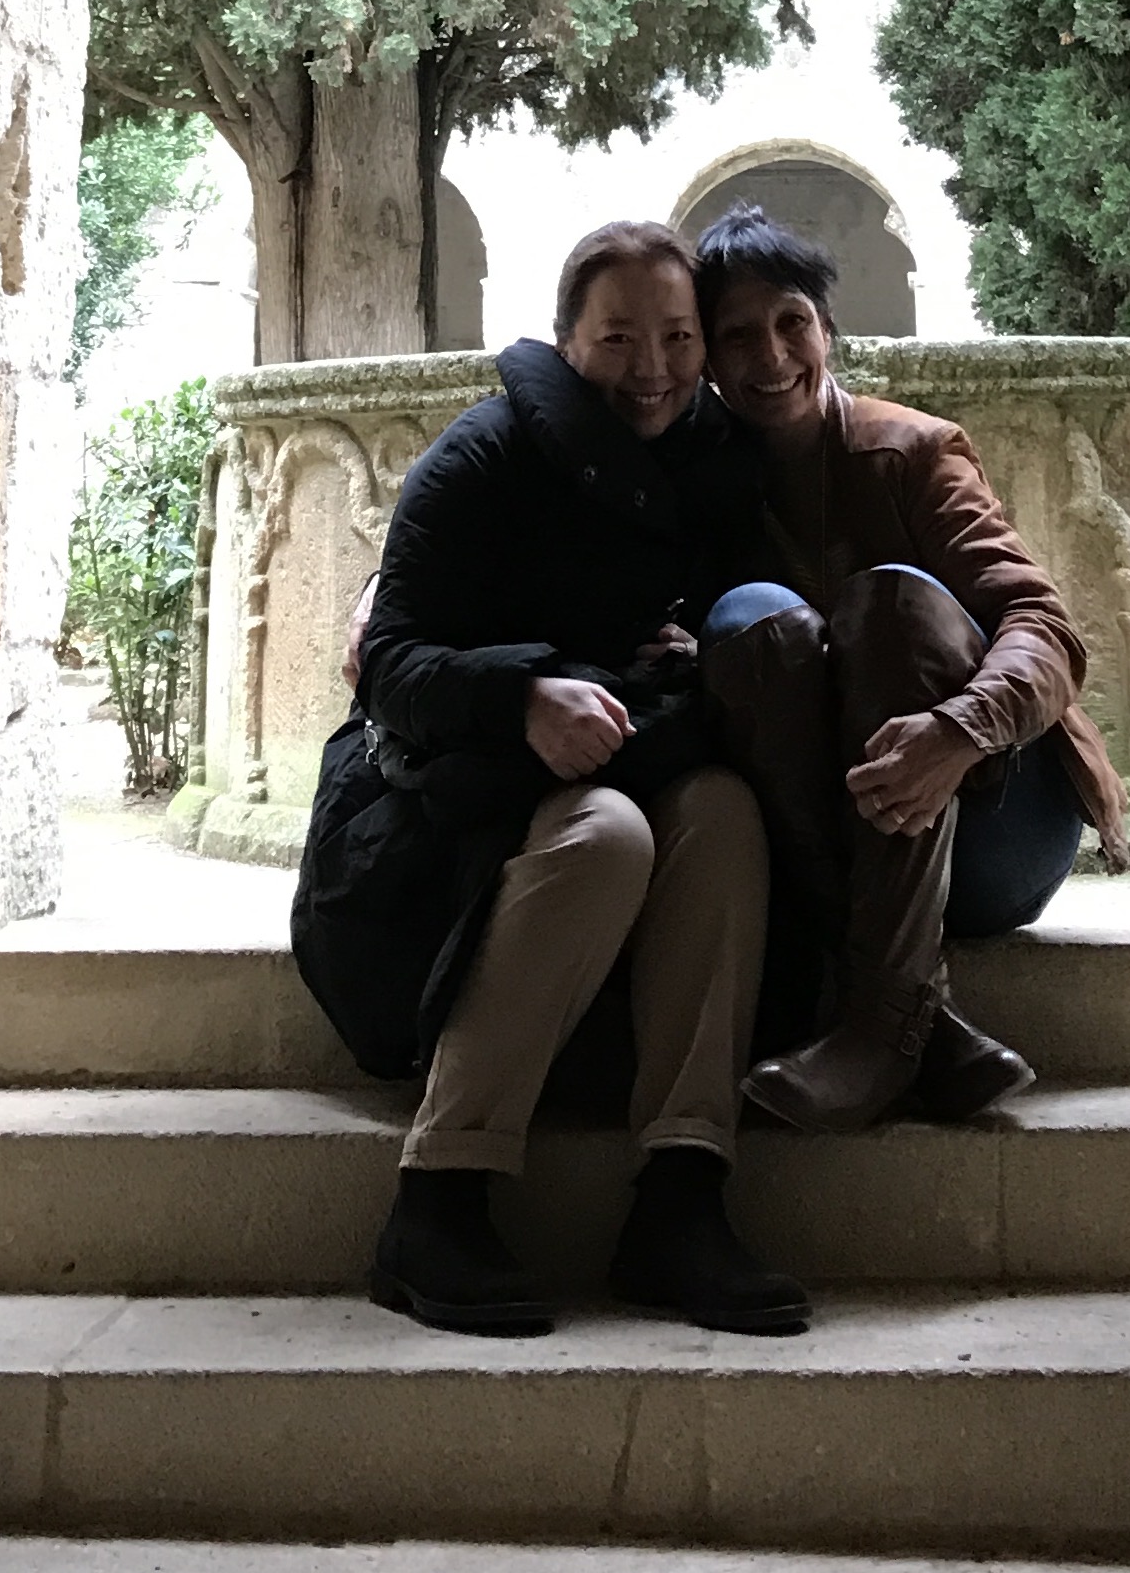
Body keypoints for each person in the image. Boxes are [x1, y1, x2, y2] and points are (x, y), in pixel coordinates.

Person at [290, 219, 806, 1340]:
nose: (653, 368)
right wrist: (523, 695)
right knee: (606, 833)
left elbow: (753, 635)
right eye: (619, 338)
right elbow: (389, 664)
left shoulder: (717, 465)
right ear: (568, 339)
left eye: (677, 337)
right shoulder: (482, 456)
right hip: (446, 809)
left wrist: (692, 665)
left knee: (720, 814)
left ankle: (681, 1197)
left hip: (635, 760)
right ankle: (438, 1198)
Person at [691, 202, 1130, 1134]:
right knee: (748, 619)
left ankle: (869, 1033)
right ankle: (915, 1028)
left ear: (825, 329)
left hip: (993, 830)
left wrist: (958, 730)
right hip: (829, 844)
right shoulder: (690, 485)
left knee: (891, 602)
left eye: (791, 322)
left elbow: (1045, 628)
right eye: (737, 335)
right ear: (706, 361)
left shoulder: (911, 452)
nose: (771, 355)